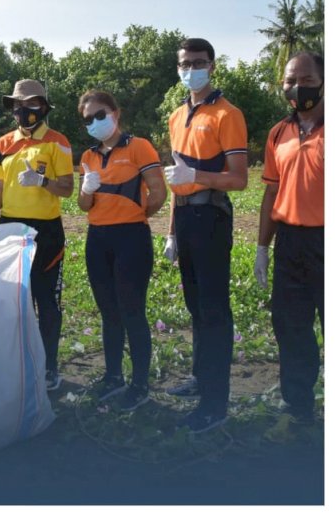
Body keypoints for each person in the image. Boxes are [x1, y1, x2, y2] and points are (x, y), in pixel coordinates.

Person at [163, 38, 248, 433]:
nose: (190, 69)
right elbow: (177, 181)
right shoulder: (176, 116)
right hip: (185, 218)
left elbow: (239, 178)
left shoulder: (227, 114)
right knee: (196, 307)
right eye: (184, 63)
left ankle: (216, 403)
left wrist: (197, 177)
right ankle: (201, 377)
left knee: (214, 310)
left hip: (212, 216)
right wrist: (171, 232)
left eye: (198, 63)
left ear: (212, 66)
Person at [0, 79, 74, 391]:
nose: (24, 110)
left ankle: (49, 367)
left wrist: (42, 181)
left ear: (44, 107)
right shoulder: (4, 142)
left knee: (46, 300)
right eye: (18, 105)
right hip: (10, 228)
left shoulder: (57, 142)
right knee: (13, 302)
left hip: (46, 231)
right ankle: (17, 362)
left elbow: (68, 189)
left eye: (31, 104)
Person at [76, 90, 166, 410]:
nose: (95, 122)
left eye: (101, 115)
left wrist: (136, 215)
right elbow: (83, 204)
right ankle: (113, 376)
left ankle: (139, 383)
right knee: (108, 312)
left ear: (116, 113)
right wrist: (87, 189)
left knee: (132, 312)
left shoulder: (139, 147)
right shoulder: (87, 156)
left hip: (131, 238)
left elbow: (158, 192)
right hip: (97, 238)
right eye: (88, 119)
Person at [254, 52, 324, 423]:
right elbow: (270, 193)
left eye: (308, 79)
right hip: (291, 245)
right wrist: (263, 247)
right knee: (291, 325)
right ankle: (298, 405)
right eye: (290, 80)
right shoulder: (278, 133)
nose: (298, 87)